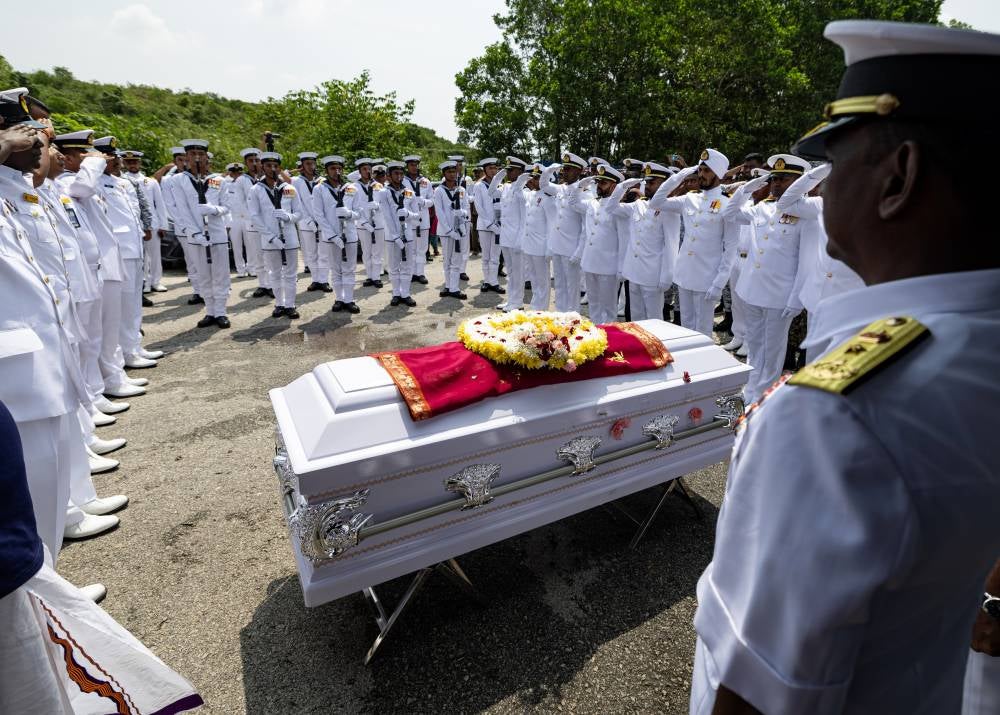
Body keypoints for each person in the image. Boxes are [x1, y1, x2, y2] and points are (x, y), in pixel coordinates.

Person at [690, 20, 1000, 714]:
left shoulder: (835, 416)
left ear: (898, 177)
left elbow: (762, 695)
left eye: (836, 162)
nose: (823, 189)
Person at [723, 153, 813, 403]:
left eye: (784, 179)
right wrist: (748, 187)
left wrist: (796, 300)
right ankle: (751, 389)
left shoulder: (805, 213)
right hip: (752, 289)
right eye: (774, 178)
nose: (776, 183)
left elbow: (805, 261)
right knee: (754, 345)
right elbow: (729, 213)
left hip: (779, 295)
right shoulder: (762, 208)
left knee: (772, 351)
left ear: (798, 183)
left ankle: (764, 396)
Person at [649, 149, 737, 336]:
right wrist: (678, 177)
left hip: (707, 277)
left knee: (703, 331)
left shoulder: (728, 204)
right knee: (686, 327)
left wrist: (719, 283)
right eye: (700, 170)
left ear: (718, 174)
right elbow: (656, 203)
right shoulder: (690, 198)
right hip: (684, 274)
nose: (701, 175)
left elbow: (730, 248)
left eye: (707, 171)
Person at [92, 137, 158, 371]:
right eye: (110, 157)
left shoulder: (122, 183)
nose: (116, 161)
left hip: (134, 247)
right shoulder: (94, 182)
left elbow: (134, 213)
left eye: (116, 156)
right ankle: (126, 353)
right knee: (122, 306)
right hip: (118, 250)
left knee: (134, 303)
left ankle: (134, 346)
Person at [170, 139, 232, 329]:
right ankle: (210, 311)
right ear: (187, 158)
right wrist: (195, 232)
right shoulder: (178, 180)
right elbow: (182, 210)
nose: (197, 157)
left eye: (201, 154)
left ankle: (221, 312)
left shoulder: (219, 180)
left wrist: (214, 209)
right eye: (193, 154)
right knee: (203, 274)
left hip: (217, 233)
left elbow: (226, 206)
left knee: (221, 274)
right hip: (196, 236)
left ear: (206, 157)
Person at [570, 164, 635, 325]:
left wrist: (621, 268)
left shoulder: (618, 209)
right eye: (599, 182)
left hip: (608, 266)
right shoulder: (593, 203)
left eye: (604, 183)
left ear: (614, 186)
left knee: (608, 307)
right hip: (590, 261)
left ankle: (608, 334)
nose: (599, 186)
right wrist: (580, 186)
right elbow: (573, 203)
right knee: (594, 304)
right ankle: (595, 333)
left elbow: (624, 239)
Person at [615, 162, 680, 321]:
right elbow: (612, 207)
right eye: (647, 182)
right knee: (636, 319)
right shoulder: (639, 204)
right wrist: (622, 187)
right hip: (633, 271)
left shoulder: (669, 210)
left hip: (652, 275)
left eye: (652, 183)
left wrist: (666, 277)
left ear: (664, 186)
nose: (648, 186)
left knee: (654, 320)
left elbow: (671, 246)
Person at [250, 151, 303, 318]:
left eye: (275, 166)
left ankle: (290, 304)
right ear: (262, 167)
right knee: (274, 273)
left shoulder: (289, 188)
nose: (272, 168)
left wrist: (288, 217)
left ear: (279, 168)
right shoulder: (256, 189)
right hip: (270, 239)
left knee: (291, 273)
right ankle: (279, 303)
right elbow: (254, 216)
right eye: (268, 165)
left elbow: (299, 213)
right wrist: (271, 237)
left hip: (290, 238)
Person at [313, 155, 360, 314]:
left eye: (339, 168)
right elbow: (318, 214)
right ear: (327, 171)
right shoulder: (319, 188)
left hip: (349, 235)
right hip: (331, 236)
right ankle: (339, 299)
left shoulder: (352, 188)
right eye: (333, 168)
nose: (336, 171)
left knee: (349, 269)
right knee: (336, 269)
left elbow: (359, 212)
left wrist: (348, 214)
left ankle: (349, 299)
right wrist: (332, 235)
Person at [542, 152, 586, 312]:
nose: (564, 172)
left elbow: (586, 226)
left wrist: (579, 251)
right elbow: (544, 185)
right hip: (558, 246)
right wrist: (548, 171)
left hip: (571, 248)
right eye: (564, 169)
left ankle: (573, 317)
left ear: (578, 171)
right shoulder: (561, 188)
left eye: (568, 169)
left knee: (572, 288)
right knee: (559, 285)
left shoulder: (584, 192)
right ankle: (560, 315)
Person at [121, 150, 168, 293]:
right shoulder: (121, 180)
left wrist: (163, 225)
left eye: (135, 162)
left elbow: (159, 204)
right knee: (140, 256)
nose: (132, 165)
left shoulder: (151, 181)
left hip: (152, 224)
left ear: (140, 163)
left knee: (154, 255)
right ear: (124, 164)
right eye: (129, 162)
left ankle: (156, 281)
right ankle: (144, 282)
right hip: (133, 224)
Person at [488, 158, 531, 310]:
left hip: (516, 237)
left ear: (520, 172)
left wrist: (521, 239)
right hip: (505, 236)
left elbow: (525, 217)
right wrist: (497, 177)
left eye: (511, 170)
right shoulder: (506, 186)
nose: (508, 173)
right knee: (510, 271)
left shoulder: (524, 189)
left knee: (518, 272)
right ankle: (511, 300)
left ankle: (517, 302)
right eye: (507, 170)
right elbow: (491, 192)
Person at [377, 161, 421, 307]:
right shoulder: (383, 192)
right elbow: (387, 215)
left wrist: (408, 213)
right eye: (396, 173)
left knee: (407, 266)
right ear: (388, 176)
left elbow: (417, 216)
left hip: (407, 235)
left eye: (401, 173)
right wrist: (395, 236)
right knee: (394, 266)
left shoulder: (409, 192)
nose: (399, 176)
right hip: (392, 236)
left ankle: (406, 293)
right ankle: (396, 293)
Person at [433, 160, 471, 299]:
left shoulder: (461, 190)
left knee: (456, 259)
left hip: (459, 230)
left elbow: (466, 208)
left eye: (454, 171)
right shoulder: (439, 190)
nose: (452, 174)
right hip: (446, 231)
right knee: (447, 260)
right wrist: (449, 230)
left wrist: (462, 212)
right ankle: (448, 286)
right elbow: (439, 212)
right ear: (444, 173)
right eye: (449, 172)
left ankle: (454, 288)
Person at [521, 163, 558, 310]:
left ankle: (541, 309)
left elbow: (552, 225)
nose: (532, 180)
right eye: (533, 177)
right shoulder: (532, 195)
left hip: (541, 246)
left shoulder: (549, 198)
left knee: (542, 281)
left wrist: (550, 248)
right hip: (529, 244)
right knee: (534, 279)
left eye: (537, 178)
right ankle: (535, 306)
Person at [293, 151, 327, 291]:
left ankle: (324, 280)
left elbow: (326, 202)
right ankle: (315, 279)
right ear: (302, 165)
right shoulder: (296, 181)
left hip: (323, 222)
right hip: (306, 223)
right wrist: (308, 220)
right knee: (311, 253)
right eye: (307, 163)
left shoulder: (322, 180)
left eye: (313, 163)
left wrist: (321, 219)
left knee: (323, 253)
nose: (311, 166)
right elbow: (298, 203)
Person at [352, 158, 384, 289]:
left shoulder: (378, 186)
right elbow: (353, 207)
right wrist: (364, 222)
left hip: (378, 223)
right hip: (363, 224)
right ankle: (370, 276)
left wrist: (377, 206)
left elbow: (385, 204)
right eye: (364, 169)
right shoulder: (354, 187)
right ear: (359, 171)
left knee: (377, 252)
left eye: (369, 169)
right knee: (366, 252)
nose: (367, 171)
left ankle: (376, 277)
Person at [472, 157, 503, 293]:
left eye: (495, 168)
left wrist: (499, 223)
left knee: (495, 255)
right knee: (486, 256)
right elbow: (478, 206)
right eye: (490, 168)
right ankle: (486, 281)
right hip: (485, 226)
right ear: (485, 170)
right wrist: (490, 224)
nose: (493, 171)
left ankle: (494, 281)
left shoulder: (500, 184)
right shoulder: (479, 185)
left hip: (498, 225)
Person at [402, 154, 433, 285]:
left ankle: (420, 273)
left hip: (423, 220)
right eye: (411, 165)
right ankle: (411, 273)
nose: (414, 167)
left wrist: (423, 202)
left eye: (416, 165)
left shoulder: (426, 181)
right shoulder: (402, 181)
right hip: (409, 220)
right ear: (407, 166)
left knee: (422, 248)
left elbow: (432, 200)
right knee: (411, 248)